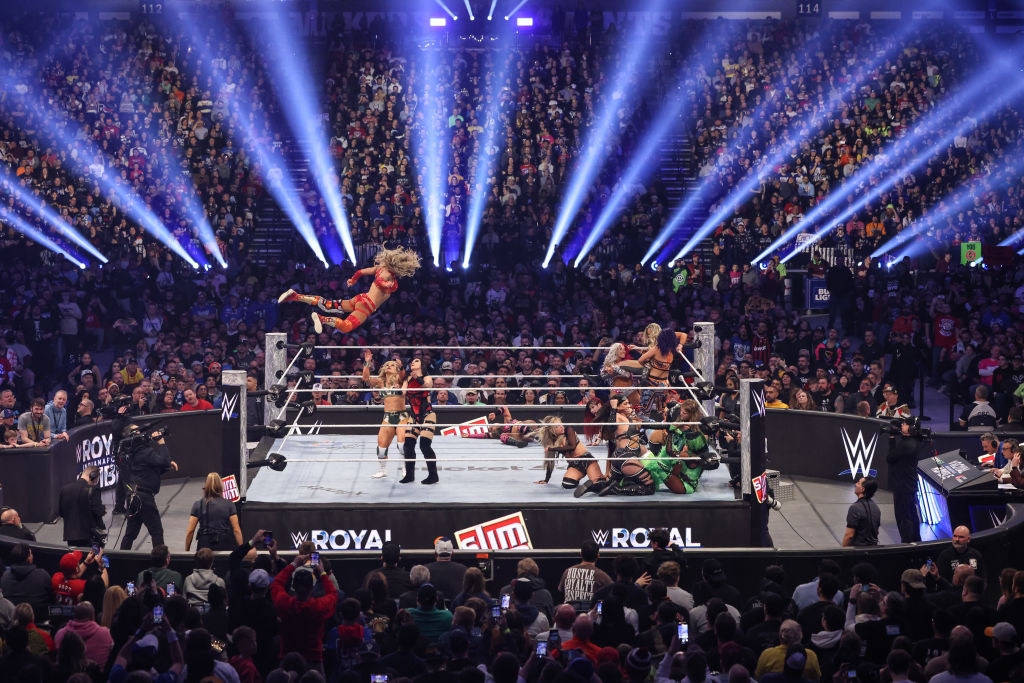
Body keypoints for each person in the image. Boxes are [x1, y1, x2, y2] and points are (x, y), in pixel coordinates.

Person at [280, 246, 422, 334]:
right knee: (346, 327)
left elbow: (360, 272)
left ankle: (296, 296)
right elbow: (381, 282)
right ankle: (322, 319)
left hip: (360, 298)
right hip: (366, 306)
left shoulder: (380, 269)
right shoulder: (391, 280)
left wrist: (353, 280)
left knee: (328, 305)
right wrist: (386, 284)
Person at [270, 552, 339, 676]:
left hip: (287, 658)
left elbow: (276, 584)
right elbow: (333, 595)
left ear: (294, 587)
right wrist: (322, 573)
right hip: (313, 660)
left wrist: (293, 564)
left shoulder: (285, 604)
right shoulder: (318, 607)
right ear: (312, 588)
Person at [118, 422, 178, 550]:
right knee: (157, 532)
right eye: (137, 431)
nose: (141, 432)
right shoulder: (144, 451)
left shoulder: (131, 453)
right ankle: (160, 560)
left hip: (133, 496)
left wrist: (167, 466)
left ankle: (121, 558)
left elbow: (147, 471)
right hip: (144, 498)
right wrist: (161, 443)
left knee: (130, 533)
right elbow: (164, 461)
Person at [532, 415, 608, 492]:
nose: (561, 427)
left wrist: (552, 449)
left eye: (561, 424)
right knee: (567, 484)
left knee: (599, 483)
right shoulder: (551, 442)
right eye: (557, 426)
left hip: (587, 460)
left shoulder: (568, 430)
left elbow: (572, 447)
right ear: (551, 430)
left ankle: (593, 486)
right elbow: (550, 461)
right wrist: (546, 479)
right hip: (575, 465)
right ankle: (586, 484)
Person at [362, 349, 407, 479]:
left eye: (392, 365)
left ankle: (406, 468)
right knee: (381, 448)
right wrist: (367, 363)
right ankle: (382, 470)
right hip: (387, 417)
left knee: (402, 445)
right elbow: (365, 378)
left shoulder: (400, 380)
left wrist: (401, 366)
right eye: (387, 364)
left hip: (401, 417)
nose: (389, 366)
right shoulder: (380, 382)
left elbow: (404, 375)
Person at [184, 472, 243, 551]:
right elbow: (236, 530)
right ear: (220, 486)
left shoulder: (198, 504)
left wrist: (187, 551)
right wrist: (242, 551)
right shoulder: (229, 504)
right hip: (224, 545)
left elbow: (190, 531)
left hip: (204, 546)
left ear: (206, 486)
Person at [402, 356, 439, 484]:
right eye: (412, 361)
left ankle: (433, 475)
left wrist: (417, 378)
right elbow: (403, 392)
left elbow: (427, 386)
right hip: (413, 416)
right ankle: (409, 475)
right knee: (408, 445)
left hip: (427, 414)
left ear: (422, 365)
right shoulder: (407, 379)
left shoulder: (427, 377)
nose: (413, 362)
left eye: (416, 361)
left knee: (424, 445)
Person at [886, 419, 922, 543]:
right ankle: (916, 539)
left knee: (903, 515)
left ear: (912, 429)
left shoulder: (906, 444)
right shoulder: (912, 441)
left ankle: (906, 542)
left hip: (902, 485)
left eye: (905, 424)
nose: (902, 425)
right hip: (908, 484)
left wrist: (891, 438)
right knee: (911, 513)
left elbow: (890, 458)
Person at [58, 465, 106, 548]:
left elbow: (61, 513)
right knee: (93, 556)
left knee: (76, 556)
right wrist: (103, 509)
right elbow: (98, 512)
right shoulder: (94, 489)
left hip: (71, 537)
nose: (95, 482)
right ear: (93, 475)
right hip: (90, 536)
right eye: (96, 479)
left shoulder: (65, 489)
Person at [425, 537, 466, 604]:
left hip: (432, 607)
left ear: (435, 553)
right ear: (452, 553)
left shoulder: (425, 570)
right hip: (456, 609)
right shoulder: (463, 569)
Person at [842, 476, 881, 547]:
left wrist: (842, 551)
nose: (855, 484)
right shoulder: (876, 508)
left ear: (862, 489)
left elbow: (849, 536)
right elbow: (876, 532)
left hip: (858, 551)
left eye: (858, 483)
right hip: (873, 550)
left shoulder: (855, 508)